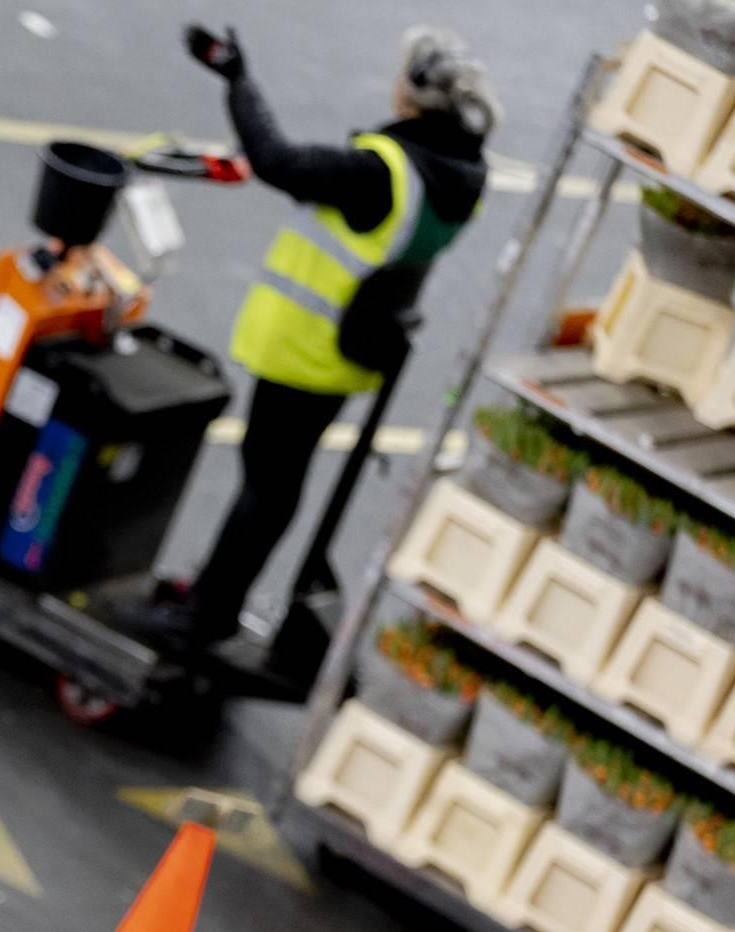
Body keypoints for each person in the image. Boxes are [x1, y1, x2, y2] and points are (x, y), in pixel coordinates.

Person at [119, 25, 497, 646]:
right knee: (277, 483)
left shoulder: (382, 173)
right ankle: (215, 596)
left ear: (412, 95)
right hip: (351, 350)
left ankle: (206, 614)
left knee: (265, 486)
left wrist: (237, 79)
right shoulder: (461, 177)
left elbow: (277, 161)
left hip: (305, 348)